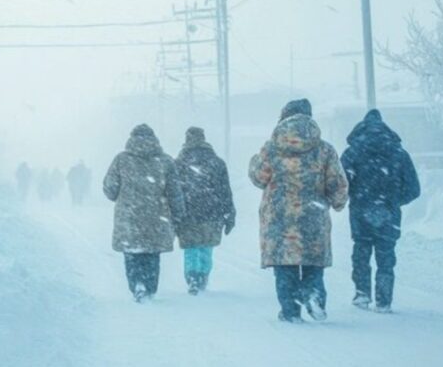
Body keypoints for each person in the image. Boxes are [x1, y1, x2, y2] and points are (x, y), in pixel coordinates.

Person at [249, 99, 348, 323]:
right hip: (313, 217)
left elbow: (259, 177)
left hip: (279, 219)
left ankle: (291, 311)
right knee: (313, 264)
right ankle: (313, 295)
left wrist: (254, 162)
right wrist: (338, 202)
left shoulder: (272, 148)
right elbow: (338, 184)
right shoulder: (324, 150)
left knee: (285, 266)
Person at [341, 109, 420, 313]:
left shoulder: (352, 153)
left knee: (361, 252)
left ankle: (362, 294)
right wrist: (392, 201)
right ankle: (384, 301)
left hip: (360, 213)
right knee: (386, 258)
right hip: (388, 214)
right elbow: (413, 189)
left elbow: (341, 185)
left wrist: (357, 198)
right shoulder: (399, 153)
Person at [103, 124, 185, 302]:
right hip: (156, 217)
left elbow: (110, 190)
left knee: (132, 253)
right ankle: (149, 287)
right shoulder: (165, 161)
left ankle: (137, 285)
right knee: (151, 254)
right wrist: (178, 215)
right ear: (154, 139)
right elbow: (175, 193)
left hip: (129, 218)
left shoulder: (121, 160)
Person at [174, 127, 236, 295]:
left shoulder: (178, 163)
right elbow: (225, 191)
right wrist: (230, 214)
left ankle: (192, 278)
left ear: (186, 140)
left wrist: (173, 215)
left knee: (191, 248)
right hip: (212, 212)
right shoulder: (217, 162)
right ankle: (203, 276)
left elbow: (174, 192)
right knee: (206, 247)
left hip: (188, 213)